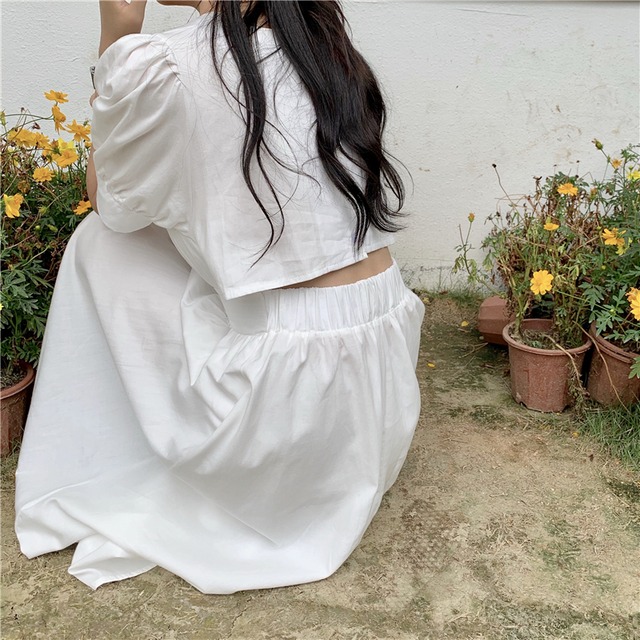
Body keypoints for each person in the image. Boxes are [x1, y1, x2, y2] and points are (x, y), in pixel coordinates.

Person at [14, 0, 424, 594]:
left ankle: (98, 448)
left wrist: (116, 34)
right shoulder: (322, 47)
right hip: (375, 389)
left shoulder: (174, 66)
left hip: (286, 409)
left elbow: (109, 201)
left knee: (99, 243)